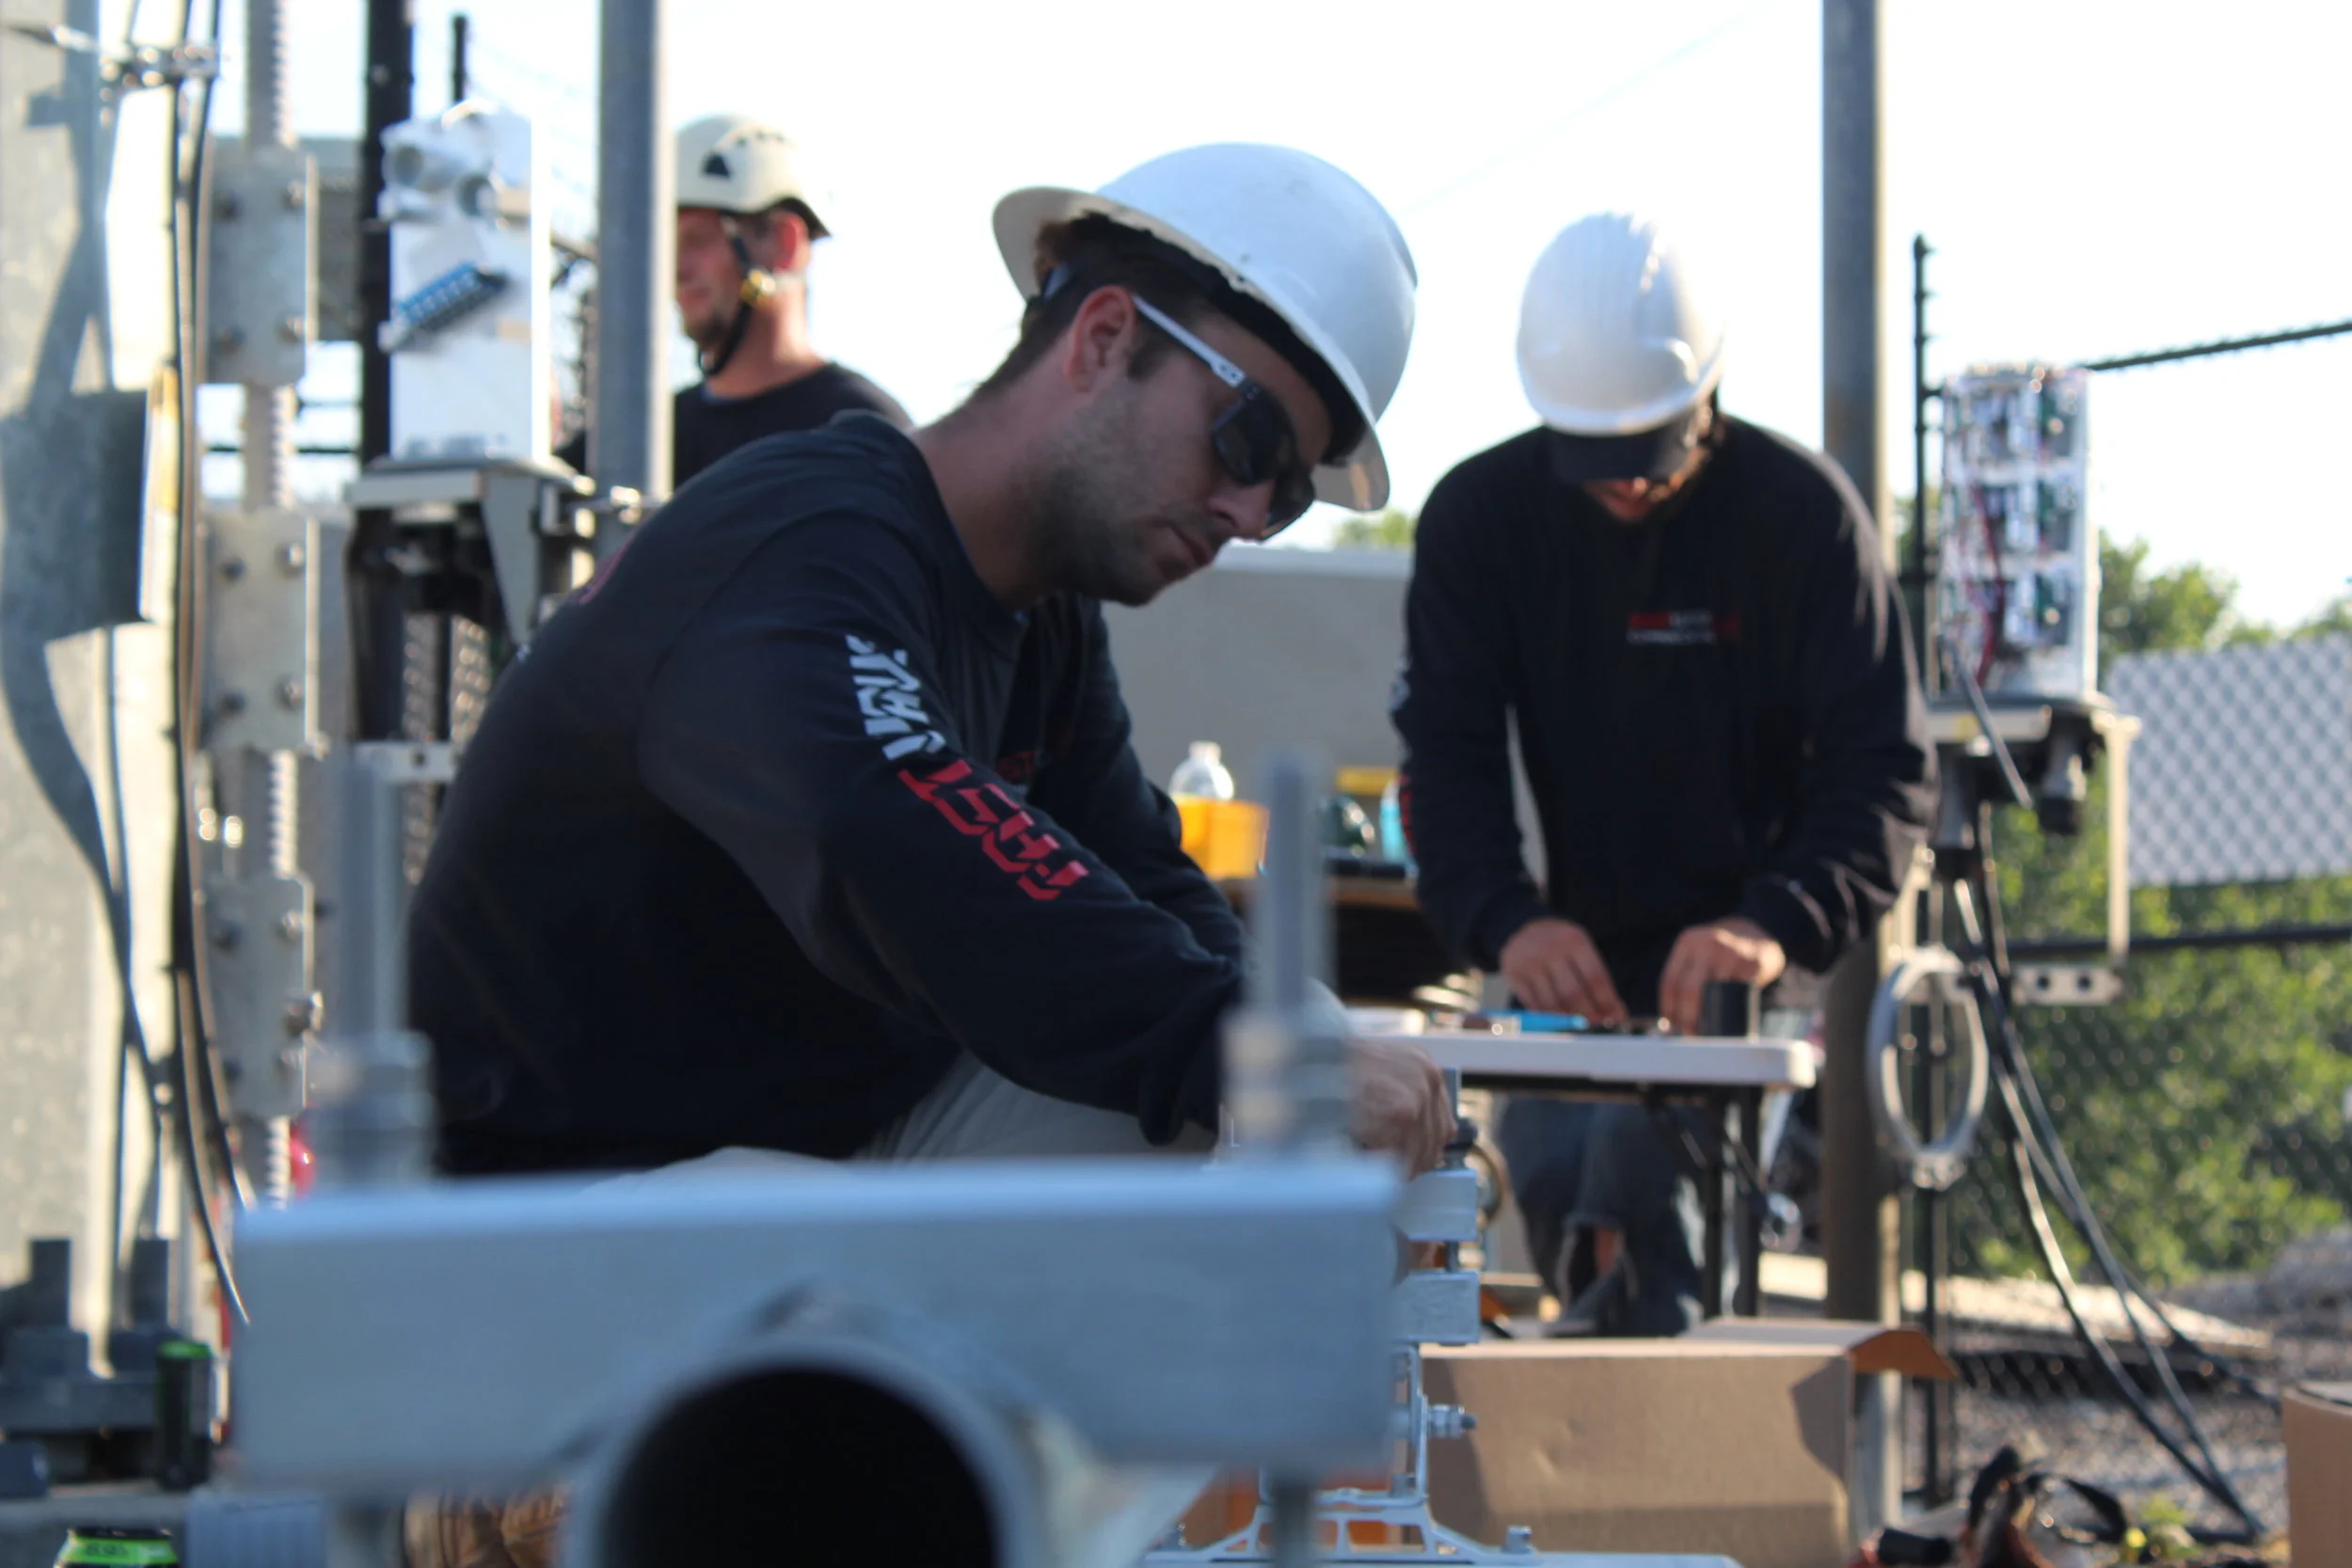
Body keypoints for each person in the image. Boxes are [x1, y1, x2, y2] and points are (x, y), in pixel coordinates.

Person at [409, 140, 1447, 1191]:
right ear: (1104, 336)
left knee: (1293, 1062)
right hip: (564, 1191)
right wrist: (1230, 1048)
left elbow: (1135, 876)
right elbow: (876, 826)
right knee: (1244, 1073)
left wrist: (1293, 1047)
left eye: (1288, 496)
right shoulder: (804, 536)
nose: (1249, 515)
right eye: (1246, 441)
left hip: (817, 1140)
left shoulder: (1043, 608)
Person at [1391, 212, 1934, 1337]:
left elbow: (1883, 773)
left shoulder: (1802, 522)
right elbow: (1444, 759)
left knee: (1654, 1209)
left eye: (1646, 453)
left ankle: (1678, 1475)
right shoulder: (1480, 521)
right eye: (1596, 460)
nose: (1624, 488)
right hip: (1561, 961)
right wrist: (1506, 920)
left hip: (1740, 959)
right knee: (1543, 1184)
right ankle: (1578, 1473)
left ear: (1706, 399)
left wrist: (1772, 922)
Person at [557, 115, 910, 488]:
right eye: (665, 245)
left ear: (784, 244)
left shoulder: (863, 435)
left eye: (697, 240)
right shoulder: (634, 442)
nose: (676, 268)